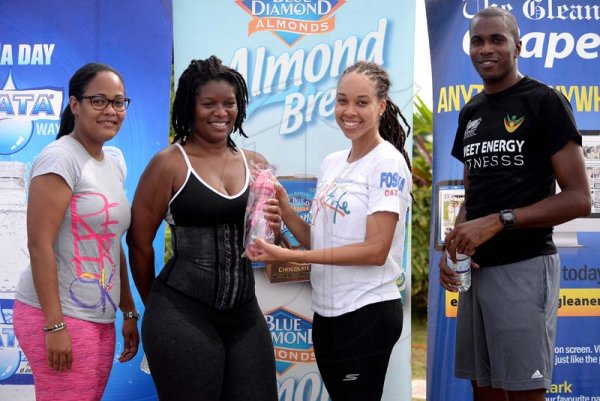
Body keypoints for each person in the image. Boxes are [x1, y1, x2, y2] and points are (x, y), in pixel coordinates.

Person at [439, 7, 591, 401]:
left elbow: (579, 198)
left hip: (524, 265)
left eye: (496, 39)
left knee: (524, 391)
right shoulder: (471, 111)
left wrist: (499, 221)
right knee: (484, 388)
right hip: (476, 272)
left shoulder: (544, 102)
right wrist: (455, 243)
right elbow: (473, 194)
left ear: (517, 46)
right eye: (477, 41)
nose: (485, 48)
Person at [249, 61, 412, 401]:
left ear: (381, 106)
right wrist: (287, 210)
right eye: (342, 100)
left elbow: (375, 250)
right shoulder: (333, 162)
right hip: (327, 313)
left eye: (361, 102)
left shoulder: (388, 162)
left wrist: (294, 256)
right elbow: (319, 241)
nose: (349, 111)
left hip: (366, 312)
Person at [126, 56, 279, 401]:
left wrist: (274, 227)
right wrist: (157, 306)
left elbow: (267, 241)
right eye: (208, 103)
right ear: (189, 106)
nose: (220, 112)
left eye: (229, 103)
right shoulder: (169, 164)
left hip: (244, 314)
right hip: (182, 311)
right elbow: (138, 244)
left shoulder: (255, 164)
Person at [13, 63, 139, 401]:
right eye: (98, 101)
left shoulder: (114, 160)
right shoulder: (59, 158)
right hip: (57, 315)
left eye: (119, 102)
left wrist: (128, 310)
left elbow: (113, 244)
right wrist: (54, 325)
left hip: (99, 317)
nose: (111, 110)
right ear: (75, 105)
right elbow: (38, 245)